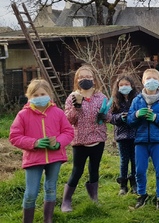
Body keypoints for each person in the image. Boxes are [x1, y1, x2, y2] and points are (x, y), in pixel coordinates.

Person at [9, 79, 74, 223]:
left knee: (51, 189)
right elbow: (14, 136)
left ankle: (48, 220)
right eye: (35, 95)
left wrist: (58, 143)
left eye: (42, 94)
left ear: (49, 94)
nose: (39, 97)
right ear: (29, 96)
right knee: (31, 193)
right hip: (33, 159)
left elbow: (68, 132)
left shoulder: (58, 112)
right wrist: (34, 143)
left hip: (54, 158)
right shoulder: (23, 115)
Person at [61, 65, 110, 212]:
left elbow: (108, 116)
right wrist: (77, 107)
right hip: (80, 141)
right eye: (81, 77)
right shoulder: (72, 97)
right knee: (77, 170)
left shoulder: (101, 97)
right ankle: (66, 201)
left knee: (94, 169)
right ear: (77, 80)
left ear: (94, 80)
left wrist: (105, 116)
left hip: (98, 139)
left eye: (88, 77)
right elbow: (68, 120)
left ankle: (94, 198)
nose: (85, 79)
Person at [128, 68, 159, 209]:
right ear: (143, 82)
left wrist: (156, 118)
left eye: (154, 78)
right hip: (140, 141)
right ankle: (142, 195)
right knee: (140, 170)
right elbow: (129, 120)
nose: (151, 81)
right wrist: (136, 115)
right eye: (148, 78)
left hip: (158, 141)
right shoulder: (137, 100)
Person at [110, 75, 139, 195]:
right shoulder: (115, 100)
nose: (124, 87)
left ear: (131, 85)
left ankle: (134, 183)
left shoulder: (137, 98)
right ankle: (123, 184)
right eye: (121, 85)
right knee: (123, 160)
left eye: (126, 84)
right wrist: (120, 117)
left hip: (135, 133)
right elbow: (110, 117)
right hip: (121, 135)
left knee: (134, 159)